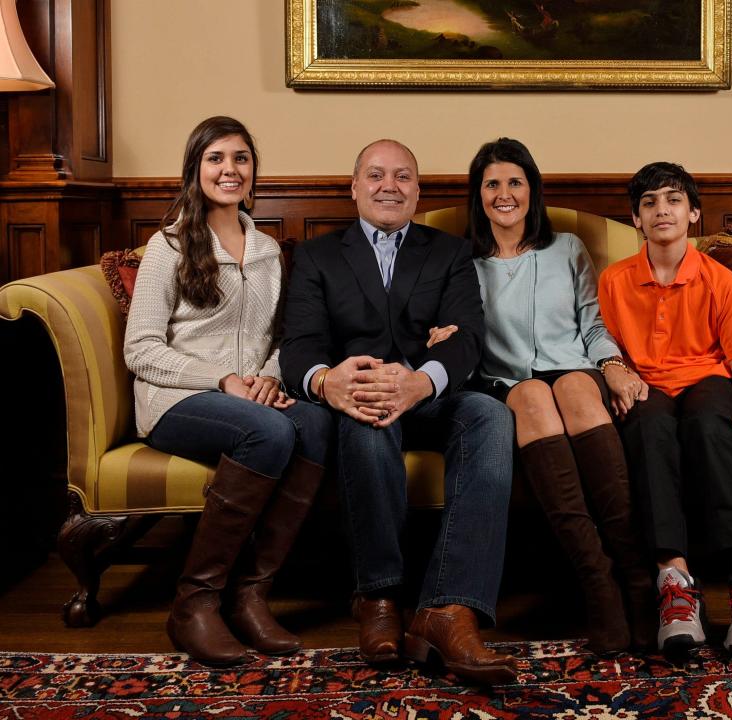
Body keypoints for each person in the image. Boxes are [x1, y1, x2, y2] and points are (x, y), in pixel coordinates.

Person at [280, 139, 518, 685]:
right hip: (356, 392)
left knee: (490, 415)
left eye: (403, 176)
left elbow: (467, 339)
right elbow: (299, 346)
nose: (390, 185)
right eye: (376, 175)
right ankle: (379, 597)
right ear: (354, 187)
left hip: (427, 390)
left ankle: (448, 608)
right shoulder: (318, 255)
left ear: (418, 190)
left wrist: (420, 381)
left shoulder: (449, 252)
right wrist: (326, 382)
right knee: (366, 423)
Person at [124, 116, 333, 667]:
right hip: (176, 400)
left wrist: (267, 375)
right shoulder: (167, 246)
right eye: (216, 158)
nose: (230, 170)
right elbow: (140, 349)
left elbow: (284, 337)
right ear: (195, 169)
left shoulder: (268, 252)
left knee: (314, 423)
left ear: (253, 171)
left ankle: (249, 596)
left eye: (241, 158)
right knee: (267, 431)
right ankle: (194, 603)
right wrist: (222, 380)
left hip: (248, 396)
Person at [456, 137, 650, 654]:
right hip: (506, 382)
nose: (504, 193)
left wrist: (611, 365)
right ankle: (597, 582)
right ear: (478, 196)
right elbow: (456, 332)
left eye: (514, 182)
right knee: (534, 397)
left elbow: (593, 321)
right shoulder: (464, 263)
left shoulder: (567, 248)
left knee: (573, 390)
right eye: (492, 184)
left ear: (531, 190)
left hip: (575, 370)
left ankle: (636, 577)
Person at [597, 162, 732, 663]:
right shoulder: (614, 281)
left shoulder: (720, 281)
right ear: (635, 218)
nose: (662, 210)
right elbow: (603, 346)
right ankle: (674, 584)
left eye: (674, 200)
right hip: (646, 384)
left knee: (708, 427)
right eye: (650, 202)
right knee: (650, 430)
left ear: (694, 213)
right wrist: (616, 373)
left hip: (706, 380)